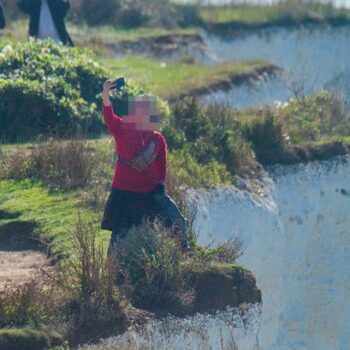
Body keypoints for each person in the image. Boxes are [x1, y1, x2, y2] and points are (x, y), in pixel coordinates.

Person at [100, 79, 189, 254]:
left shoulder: (157, 139)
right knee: (118, 236)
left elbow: (161, 167)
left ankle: (184, 253)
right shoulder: (122, 128)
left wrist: (160, 188)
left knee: (177, 221)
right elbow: (108, 116)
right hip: (123, 194)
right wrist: (105, 95)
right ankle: (110, 272)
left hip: (148, 194)